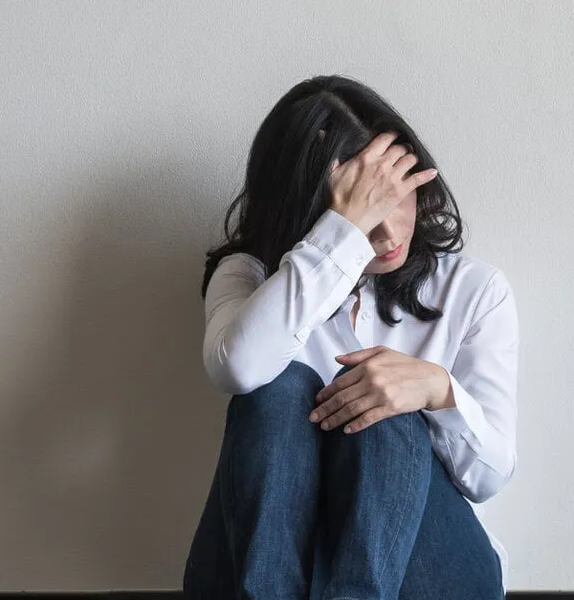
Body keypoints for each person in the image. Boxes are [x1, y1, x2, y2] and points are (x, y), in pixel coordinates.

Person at [183, 75, 518, 600]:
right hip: (260, 573)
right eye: (365, 211)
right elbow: (238, 368)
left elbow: (488, 478)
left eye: (396, 197)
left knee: (385, 408)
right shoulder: (245, 277)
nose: (387, 234)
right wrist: (340, 236)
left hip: (429, 572)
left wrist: (436, 390)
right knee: (276, 387)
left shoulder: (473, 290)